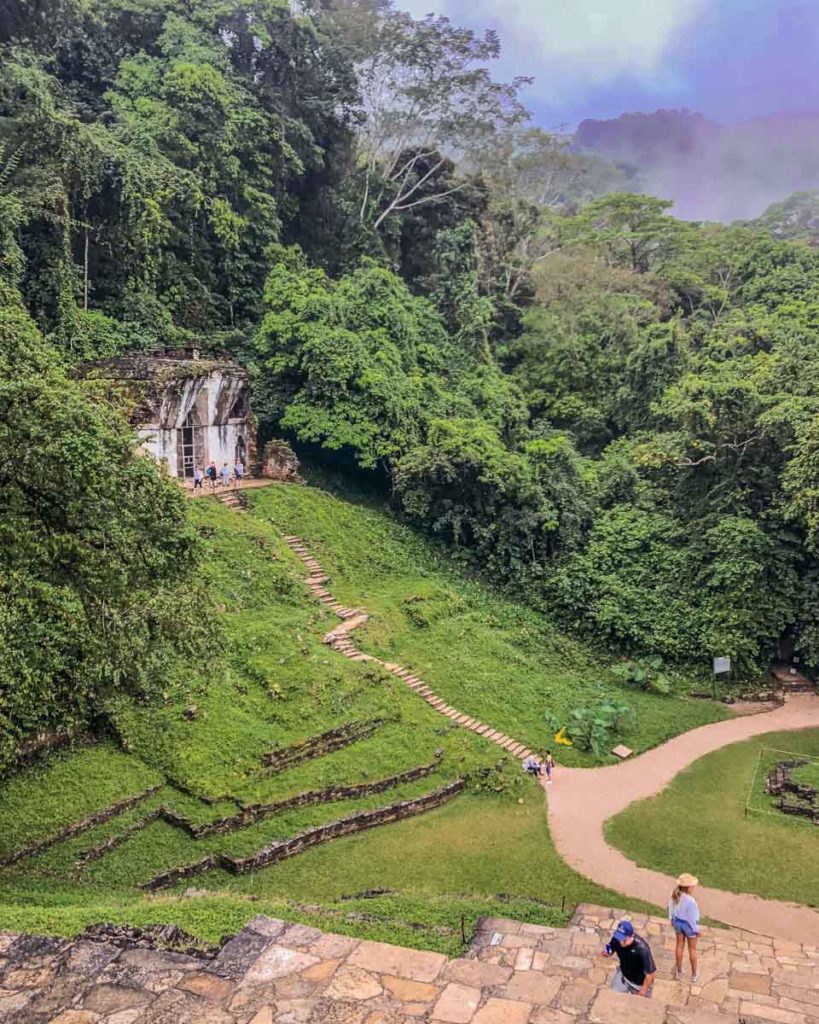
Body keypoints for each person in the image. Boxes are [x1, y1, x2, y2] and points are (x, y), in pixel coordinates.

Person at [602, 920, 656, 998]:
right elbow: (611, 949)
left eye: (623, 939)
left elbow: (650, 974)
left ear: (631, 937)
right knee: (613, 998)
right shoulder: (617, 939)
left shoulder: (642, 949)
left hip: (639, 984)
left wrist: (643, 991)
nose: (620, 942)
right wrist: (607, 952)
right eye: (619, 938)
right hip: (623, 976)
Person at [669, 873, 700, 982]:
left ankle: (679, 969)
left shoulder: (674, 894)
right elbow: (692, 919)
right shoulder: (691, 902)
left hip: (677, 922)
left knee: (679, 946)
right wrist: (696, 930)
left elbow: (671, 908)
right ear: (689, 887)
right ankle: (694, 974)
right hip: (688, 926)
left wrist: (671, 919)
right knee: (692, 949)